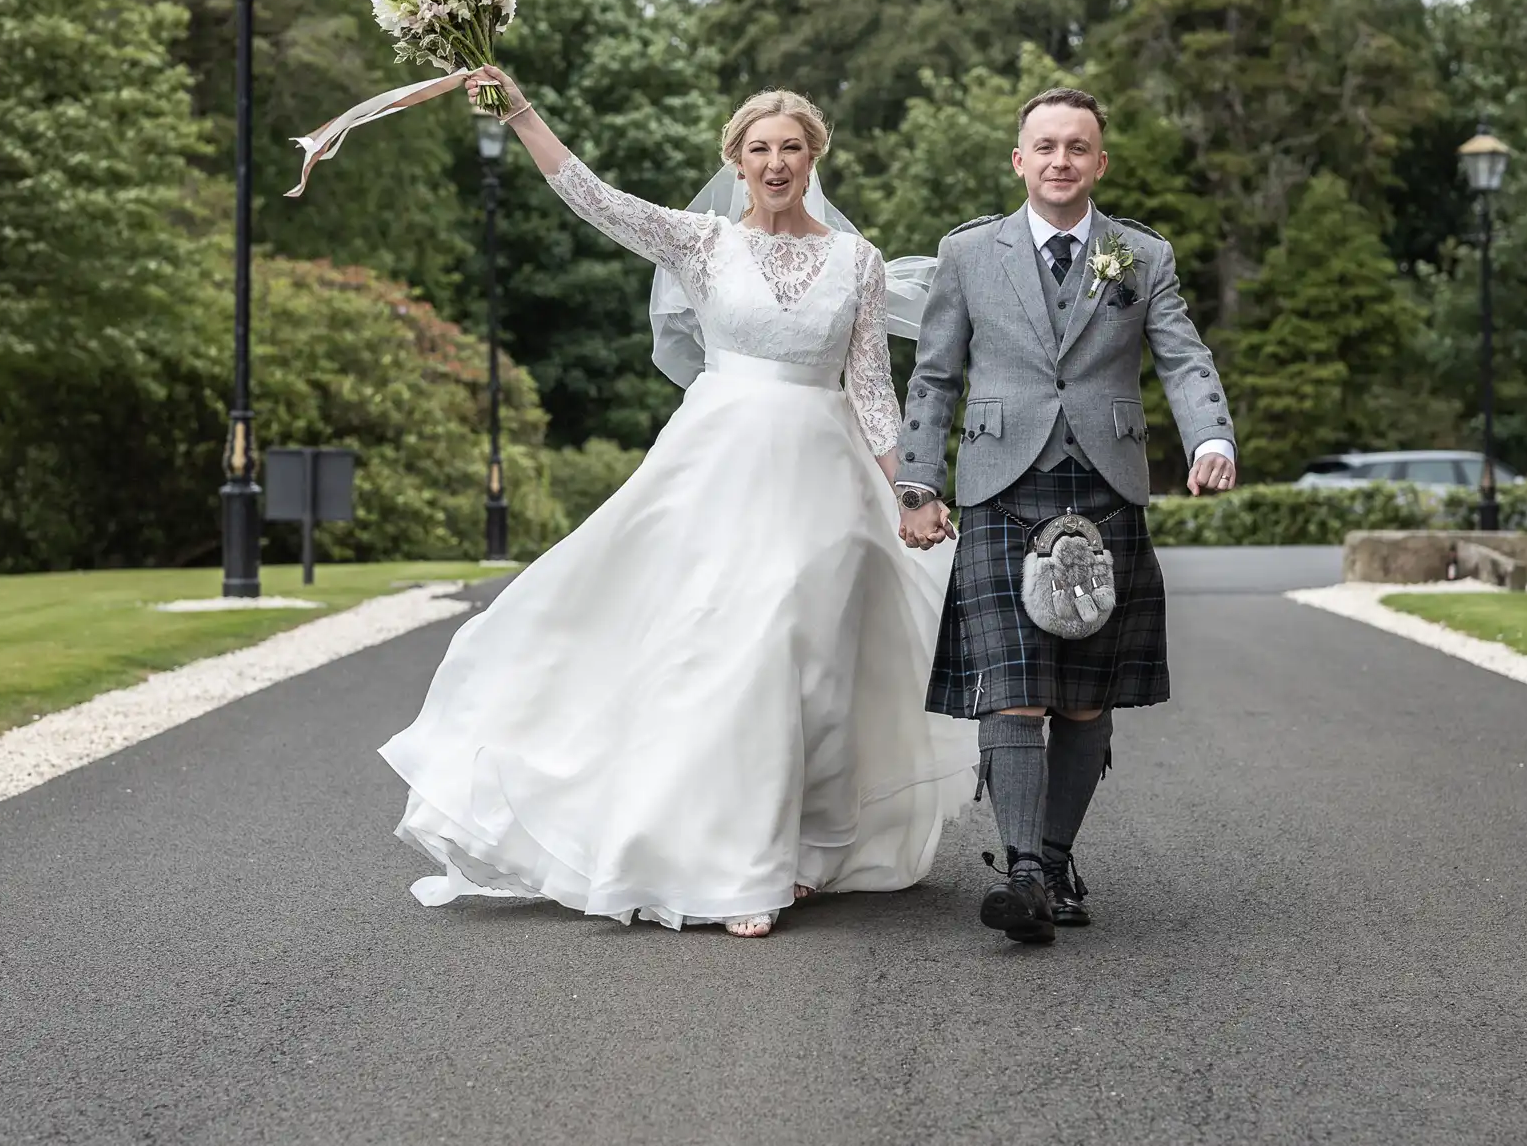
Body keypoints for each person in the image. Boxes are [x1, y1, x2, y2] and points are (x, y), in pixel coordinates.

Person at [380, 67, 976, 939]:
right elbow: (594, 197)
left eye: (792, 148)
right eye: (759, 149)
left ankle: (811, 847)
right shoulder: (701, 242)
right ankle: (741, 865)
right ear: (736, 161)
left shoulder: (859, 260)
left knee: (815, 668)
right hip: (717, 468)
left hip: (825, 476)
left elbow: (874, 392)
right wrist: (518, 108)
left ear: (815, 159)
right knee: (744, 648)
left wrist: (913, 492)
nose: (776, 163)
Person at [896, 87, 1238, 943]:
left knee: (1083, 700)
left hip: (1105, 487)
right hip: (1001, 486)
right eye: (1044, 146)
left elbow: (1185, 357)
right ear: (1019, 160)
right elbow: (935, 376)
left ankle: (1053, 856)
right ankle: (1022, 872)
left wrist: (1209, 438)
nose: (1060, 160)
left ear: (1099, 163)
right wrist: (917, 484)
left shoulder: (1140, 256)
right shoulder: (969, 253)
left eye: (1076, 147)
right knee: (1010, 691)